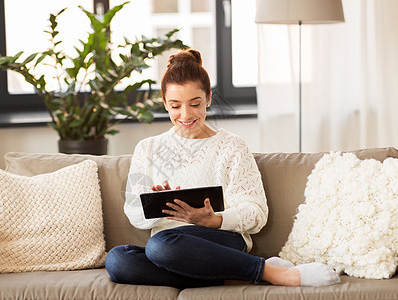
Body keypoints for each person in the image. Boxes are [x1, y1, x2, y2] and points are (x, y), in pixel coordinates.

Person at [105, 49, 340, 289]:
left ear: (208, 98)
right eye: (175, 106)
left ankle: (269, 272)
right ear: (165, 103)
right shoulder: (148, 148)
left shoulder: (232, 146)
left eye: (195, 104)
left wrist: (215, 220)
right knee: (118, 259)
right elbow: (134, 213)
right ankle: (235, 274)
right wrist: (158, 205)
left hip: (220, 240)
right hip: (171, 249)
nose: (185, 115)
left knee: (160, 245)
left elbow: (256, 213)